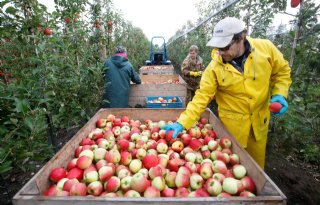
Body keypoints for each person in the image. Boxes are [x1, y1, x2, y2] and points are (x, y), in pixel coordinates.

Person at [163, 17, 292, 169]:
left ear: (241, 38)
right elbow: (201, 98)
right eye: (218, 48)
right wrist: (182, 122)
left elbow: (282, 72)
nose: (221, 52)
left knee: (256, 172)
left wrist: (280, 93)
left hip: (258, 126)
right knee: (230, 171)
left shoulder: (266, 49)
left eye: (225, 47)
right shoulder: (214, 68)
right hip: (232, 130)